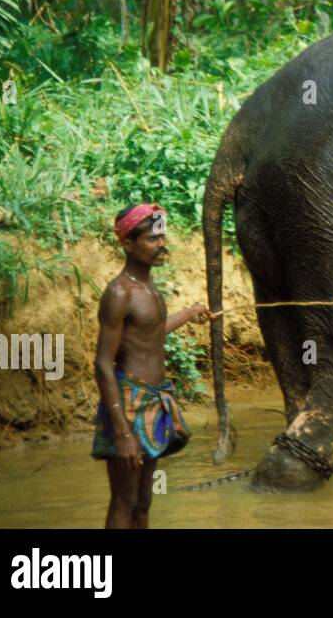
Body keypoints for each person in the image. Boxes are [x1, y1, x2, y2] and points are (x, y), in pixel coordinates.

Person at [93, 203, 210, 528]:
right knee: (124, 501)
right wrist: (122, 431)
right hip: (128, 404)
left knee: (143, 502)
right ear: (128, 244)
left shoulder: (149, 289)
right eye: (152, 239)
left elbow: (151, 333)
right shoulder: (119, 293)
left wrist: (189, 314)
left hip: (155, 400)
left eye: (162, 236)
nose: (161, 244)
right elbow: (103, 364)